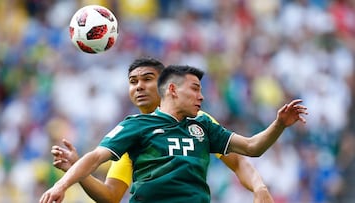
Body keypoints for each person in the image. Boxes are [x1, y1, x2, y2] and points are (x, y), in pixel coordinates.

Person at [40, 64, 307, 203]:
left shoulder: (202, 124)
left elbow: (247, 151)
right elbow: (103, 176)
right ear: (173, 89)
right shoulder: (134, 128)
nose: (201, 96)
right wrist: (65, 181)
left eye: (147, 80)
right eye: (195, 89)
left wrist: (279, 125)